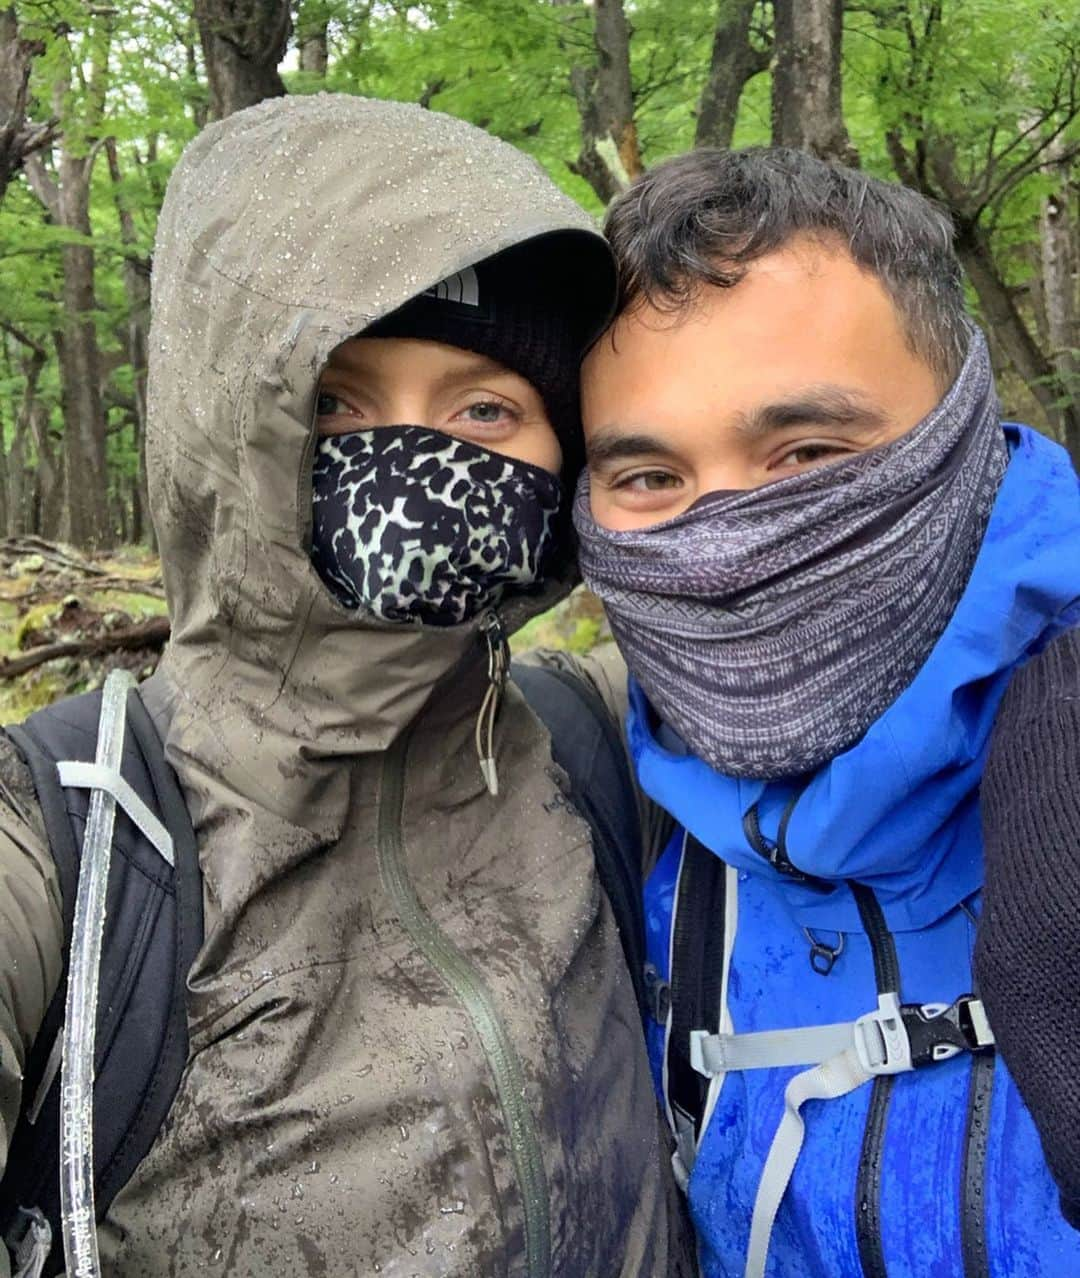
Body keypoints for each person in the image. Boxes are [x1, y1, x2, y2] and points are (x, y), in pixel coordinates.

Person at [0, 95, 692, 1277]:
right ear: (235, 427)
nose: (418, 462)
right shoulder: (65, 835)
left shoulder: (599, 739)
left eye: (486, 410)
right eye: (338, 403)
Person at [572, 147, 1080, 1277]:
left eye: (806, 454)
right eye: (650, 479)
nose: (724, 554)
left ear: (963, 423)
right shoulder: (595, 808)